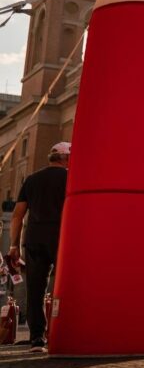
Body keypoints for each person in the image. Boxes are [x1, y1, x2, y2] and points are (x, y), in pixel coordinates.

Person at [7, 142, 71, 351]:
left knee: (35, 290)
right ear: (66, 158)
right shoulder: (71, 178)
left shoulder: (32, 179)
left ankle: (36, 338)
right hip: (62, 239)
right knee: (68, 286)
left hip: (34, 239)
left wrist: (14, 246)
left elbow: (17, 215)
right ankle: (65, 333)